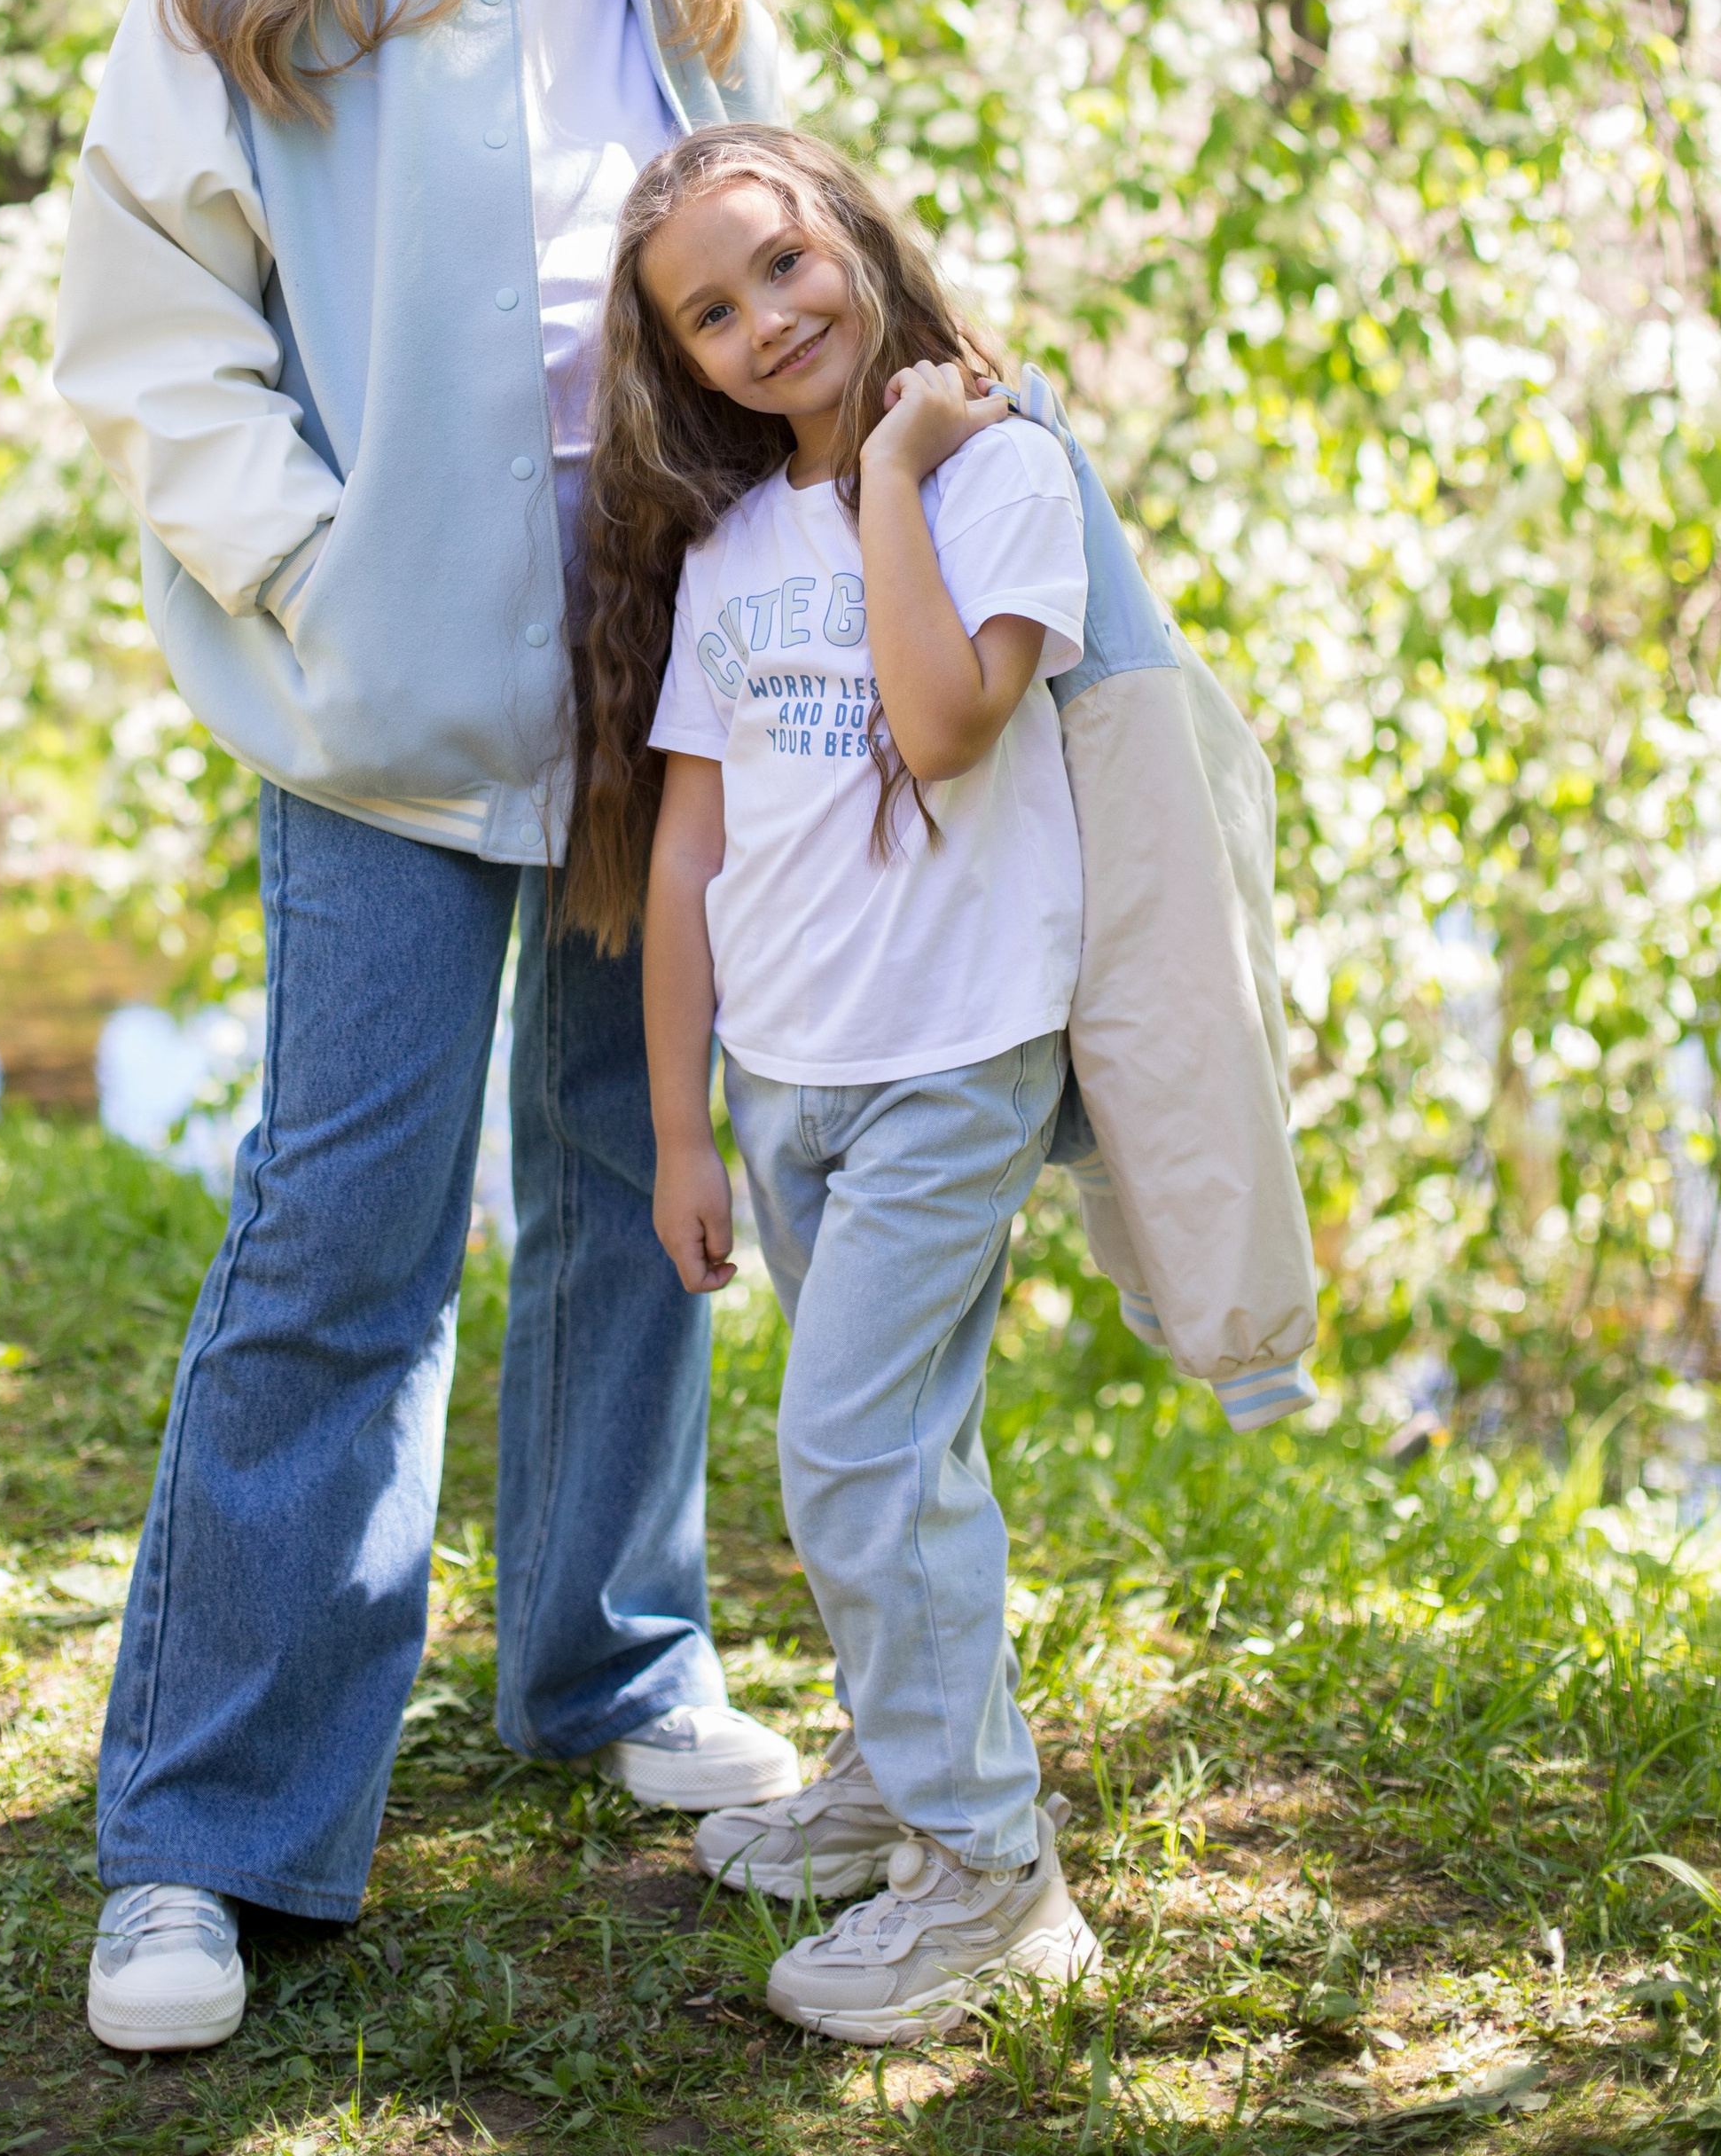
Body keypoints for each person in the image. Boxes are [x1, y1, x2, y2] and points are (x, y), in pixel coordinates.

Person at [53, 0, 800, 2055]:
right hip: (392, 708)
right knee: (346, 1222)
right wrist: (328, 568)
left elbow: (785, 278)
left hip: (659, 687)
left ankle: (611, 1664)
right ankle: (207, 1830)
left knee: (632, 1178)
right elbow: (158, 334)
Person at [564, 122, 1106, 2047]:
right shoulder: (724, 548)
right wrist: (680, 1126)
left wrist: (887, 466)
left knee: (852, 1452)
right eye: (710, 312)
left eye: (782, 265)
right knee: (902, 1449)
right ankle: (902, 1770)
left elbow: (950, 727)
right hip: (788, 1080)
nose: (762, 318)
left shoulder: (999, 477)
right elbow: (690, 852)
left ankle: (990, 1878)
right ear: (683, 363)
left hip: (951, 1062)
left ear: (856, 242)